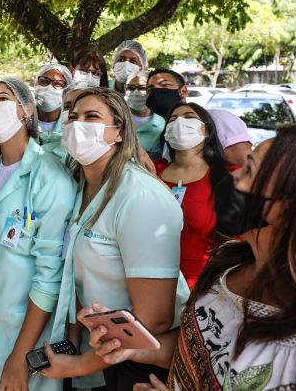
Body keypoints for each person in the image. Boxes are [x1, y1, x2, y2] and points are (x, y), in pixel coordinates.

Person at [87, 128, 296, 390]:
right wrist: (140, 348)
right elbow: (209, 351)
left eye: (250, 171)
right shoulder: (230, 264)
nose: (234, 179)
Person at [40, 88, 188, 390]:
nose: (78, 126)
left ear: (119, 132)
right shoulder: (85, 187)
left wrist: (81, 364)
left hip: (143, 362)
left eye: (92, 117)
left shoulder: (140, 197)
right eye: (73, 118)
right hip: (105, 347)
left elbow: (153, 321)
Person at [0, 77, 75, 391]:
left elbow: (50, 276)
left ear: (26, 110)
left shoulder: (50, 178)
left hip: (28, 338)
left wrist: (19, 357)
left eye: (3, 98)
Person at [154, 102, 236, 290]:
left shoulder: (227, 177)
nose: (179, 123)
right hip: (151, 279)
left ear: (207, 130)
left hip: (203, 285)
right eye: (172, 120)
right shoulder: (152, 172)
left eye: (189, 117)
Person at [146, 69, 252, 166]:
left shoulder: (220, 119)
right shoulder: (166, 135)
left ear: (183, 91)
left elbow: (244, 167)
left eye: (164, 85)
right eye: (150, 90)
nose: (156, 93)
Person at [124, 71, 164, 159]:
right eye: (130, 88)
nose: (135, 92)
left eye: (142, 88)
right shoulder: (114, 118)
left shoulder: (163, 125)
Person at [34, 63, 73, 146]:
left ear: (67, 91)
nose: (49, 87)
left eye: (58, 84)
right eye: (44, 81)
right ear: (36, 83)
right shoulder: (23, 119)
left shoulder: (72, 123)